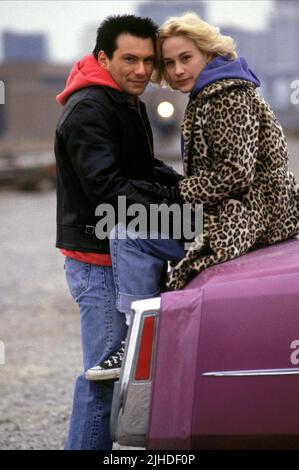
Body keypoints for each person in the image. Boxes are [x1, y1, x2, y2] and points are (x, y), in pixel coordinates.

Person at [91, 12, 299, 381]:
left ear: (208, 52)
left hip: (246, 216)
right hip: (254, 210)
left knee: (128, 231)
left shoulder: (225, 96)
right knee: (136, 224)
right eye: (169, 63)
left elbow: (236, 173)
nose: (177, 70)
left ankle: (136, 339)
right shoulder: (215, 92)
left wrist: (180, 194)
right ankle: (146, 328)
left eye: (185, 58)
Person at [54, 14, 182, 450]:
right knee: (104, 379)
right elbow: (110, 189)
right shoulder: (90, 108)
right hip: (100, 260)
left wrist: (188, 188)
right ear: (103, 57)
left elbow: (143, 170)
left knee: (121, 376)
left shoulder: (124, 102)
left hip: (122, 252)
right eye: (130, 59)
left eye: (148, 61)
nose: (142, 71)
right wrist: (179, 206)